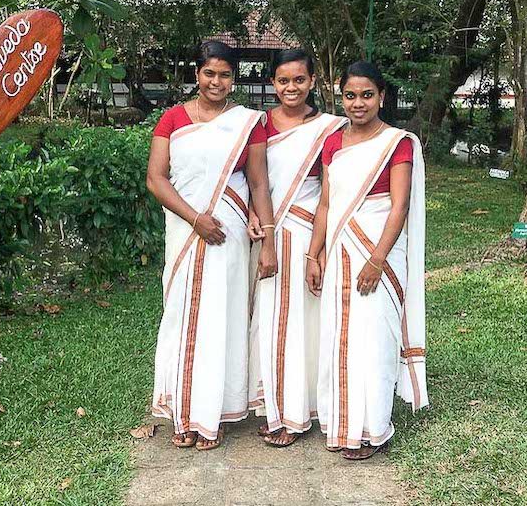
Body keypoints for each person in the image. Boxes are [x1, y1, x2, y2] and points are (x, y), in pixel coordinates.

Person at [146, 41, 278, 451]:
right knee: (182, 316)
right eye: (209, 73)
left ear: (232, 79)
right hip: (187, 230)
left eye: (224, 75)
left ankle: (214, 414)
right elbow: (156, 179)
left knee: (222, 317)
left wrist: (267, 234)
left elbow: (258, 182)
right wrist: (195, 219)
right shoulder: (172, 119)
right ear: (197, 74)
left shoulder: (247, 123)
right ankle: (183, 411)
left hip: (230, 232)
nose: (215, 81)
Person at [307, 61, 428, 460]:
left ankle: (374, 428)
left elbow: (399, 205)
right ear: (340, 97)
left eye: (367, 95)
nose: (358, 103)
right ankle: (341, 424)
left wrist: (377, 259)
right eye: (350, 96)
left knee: (374, 339)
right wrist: (314, 253)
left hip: (379, 253)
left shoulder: (398, 143)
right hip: (339, 251)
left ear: (382, 97)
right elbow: (325, 203)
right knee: (339, 337)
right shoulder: (333, 143)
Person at [247, 49, 348, 447]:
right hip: (267, 235)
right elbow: (249, 180)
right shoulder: (257, 125)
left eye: (299, 80)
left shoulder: (329, 128)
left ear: (312, 81)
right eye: (283, 81)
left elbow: (333, 188)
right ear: (273, 83)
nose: (291, 88)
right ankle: (276, 406)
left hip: (307, 232)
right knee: (270, 322)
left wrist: (318, 249)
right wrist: (256, 218)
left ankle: (298, 413)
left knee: (304, 324)